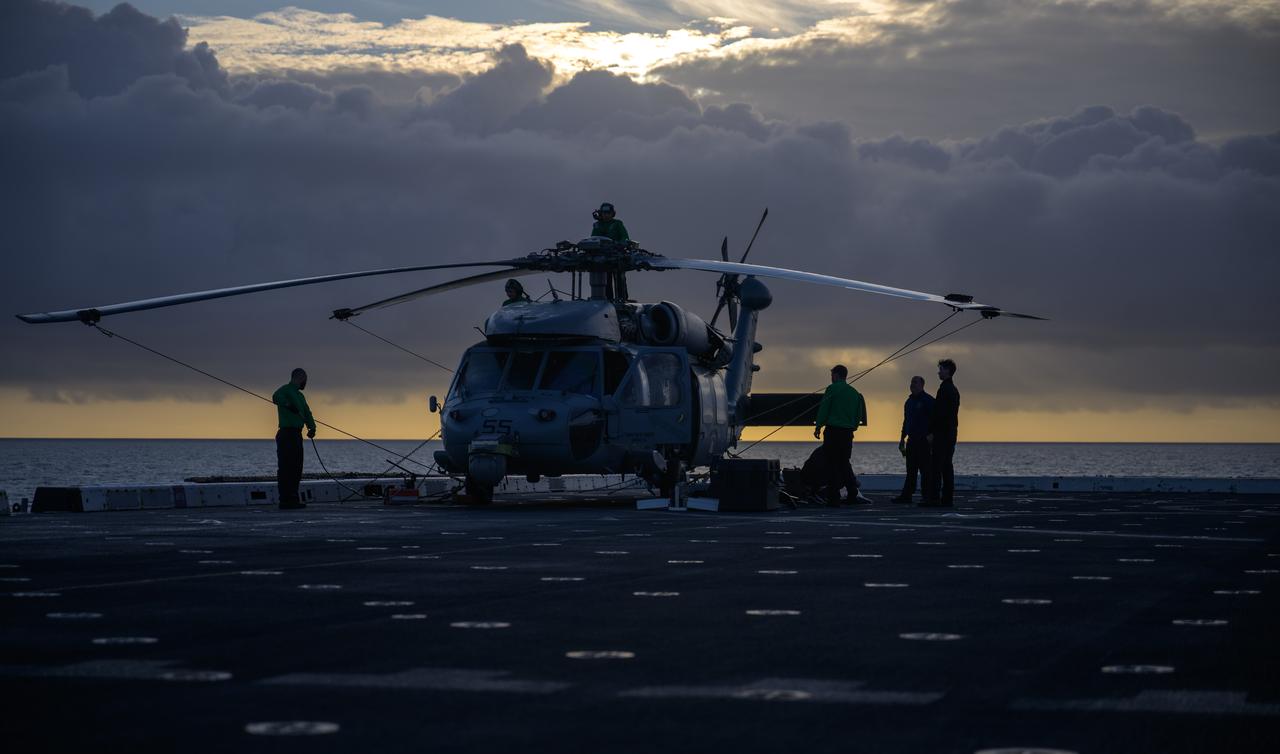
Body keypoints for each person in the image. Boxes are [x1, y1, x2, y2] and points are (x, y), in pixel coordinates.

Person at [813, 364, 872, 506]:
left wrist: (818, 426)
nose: (831, 378)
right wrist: (853, 427)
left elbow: (824, 409)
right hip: (847, 433)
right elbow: (859, 414)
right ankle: (852, 492)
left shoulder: (832, 389)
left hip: (833, 431)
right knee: (844, 463)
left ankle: (834, 498)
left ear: (836, 375)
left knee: (832, 464)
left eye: (832, 375)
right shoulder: (854, 392)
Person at [272, 368, 316, 510]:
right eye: (305, 380)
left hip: (297, 434)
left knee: (297, 467)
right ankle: (285, 499)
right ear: (301, 378)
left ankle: (293, 498)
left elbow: (307, 412)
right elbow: (275, 397)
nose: (305, 383)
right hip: (286, 433)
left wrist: (312, 427)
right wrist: (287, 405)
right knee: (286, 467)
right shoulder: (285, 390)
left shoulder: (300, 396)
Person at [891, 376, 934, 504]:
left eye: (915, 382)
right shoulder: (908, 402)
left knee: (925, 469)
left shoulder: (928, 400)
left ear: (922, 385)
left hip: (924, 440)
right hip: (912, 440)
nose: (912, 385)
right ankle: (907, 495)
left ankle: (927, 495)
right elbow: (906, 421)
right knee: (911, 469)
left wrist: (932, 435)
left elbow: (935, 419)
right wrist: (902, 438)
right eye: (911, 382)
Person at [923, 359, 960, 507]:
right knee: (946, 466)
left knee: (936, 466)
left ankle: (934, 498)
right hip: (950, 433)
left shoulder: (944, 389)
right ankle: (947, 498)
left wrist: (932, 432)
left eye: (941, 369)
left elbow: (940, 414)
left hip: (942, 434)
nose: (939, 371)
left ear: (948, 371)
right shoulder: (953, 390)